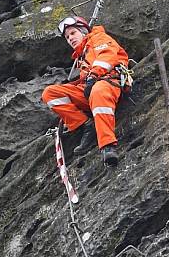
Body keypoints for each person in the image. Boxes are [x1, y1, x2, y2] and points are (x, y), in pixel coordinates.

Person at [42, 15, 129, 167]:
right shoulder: (82, 56)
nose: (70, 38)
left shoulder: (98, 38)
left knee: (98, 91)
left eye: (73, 33)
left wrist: (94, 75)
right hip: (90, 88)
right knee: (50, 93)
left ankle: (107, 146)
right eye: (67, 37)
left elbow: (108, 56)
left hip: (109, 82)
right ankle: (85, 125)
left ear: (83, 31)